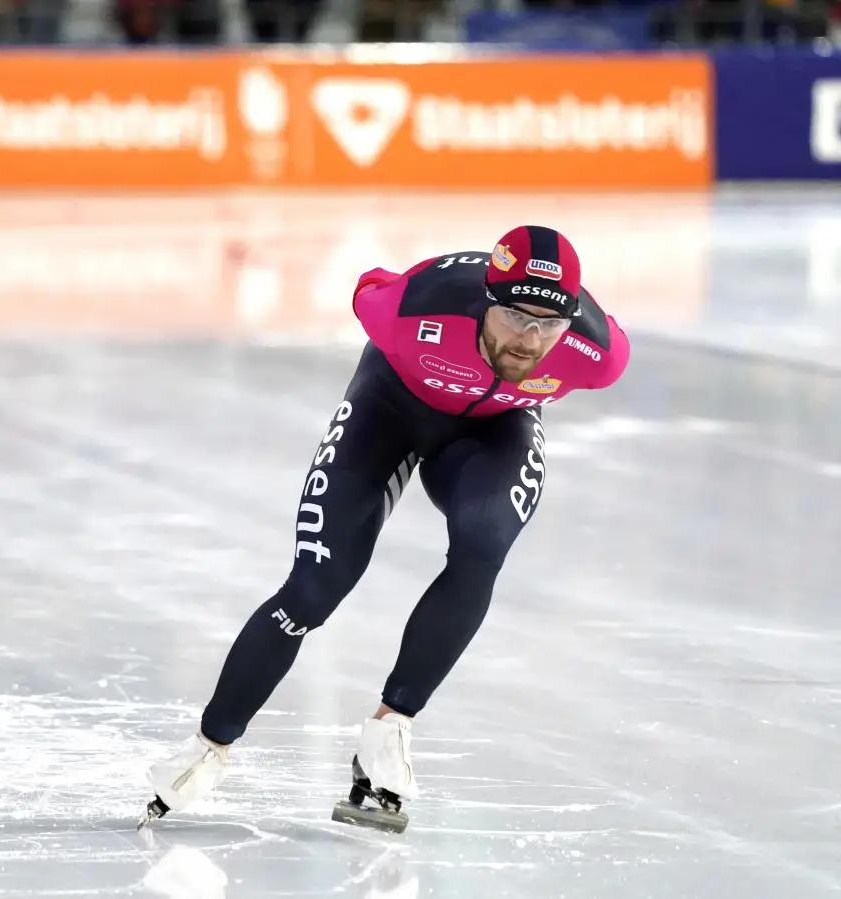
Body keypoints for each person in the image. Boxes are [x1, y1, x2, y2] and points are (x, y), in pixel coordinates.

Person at [140, 226, 631, 828]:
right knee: (315, 587)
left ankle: (390, 729)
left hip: (492, 432)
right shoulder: (417, 305)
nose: (530, 340)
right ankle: (207, 748)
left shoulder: (595, 353)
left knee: (483, 545)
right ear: (485, 299)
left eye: (549, 324)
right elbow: (366, 284)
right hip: (390, 409)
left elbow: (565, 337)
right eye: (515, 317)